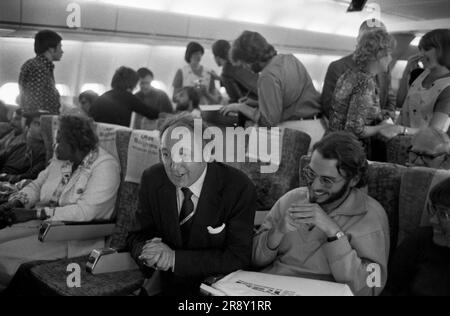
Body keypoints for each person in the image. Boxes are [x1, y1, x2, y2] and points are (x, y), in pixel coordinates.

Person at [126, 113, 256, 296]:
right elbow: (135, 236)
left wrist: (174, 259)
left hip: (212, 290)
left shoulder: (238, 187)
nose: (173, 165)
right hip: (163, 286)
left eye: (183, 152)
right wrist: (149, 253)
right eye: (166, 154)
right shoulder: (153, 179)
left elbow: (238, 257)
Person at [252, 132, 390, 296]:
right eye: (311, 173)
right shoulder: (291, 199)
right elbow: (254, 260)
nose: (314, 186)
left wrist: (334, 233)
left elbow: (369, 289)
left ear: (353, 179)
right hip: (265, 289)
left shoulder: (370, 216)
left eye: (327, 180)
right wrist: (277, 232)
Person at [0, 115, 120, 290]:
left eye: (59, 141)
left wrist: (36, 213)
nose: (54, 146)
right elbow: (37, 185)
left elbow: (86, 213)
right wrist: (18, 202)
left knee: (4, 255)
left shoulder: (105, 166)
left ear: (74, 144)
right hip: (42, 225)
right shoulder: (61, 160)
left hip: (71, 237)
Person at [221, 31, 324, 147]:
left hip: (296, 132)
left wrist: (240, 107)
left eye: (244, 64)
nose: (246, 68)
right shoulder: (290, 59)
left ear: (251, 57)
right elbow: (291, 97)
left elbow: (268, 122)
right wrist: (257, 103)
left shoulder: (267, 76)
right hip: (317, 128)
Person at [328, 29, 397, 144]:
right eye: (389, 54)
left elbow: (349, 112)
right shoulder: (365, 82)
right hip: (347, 147)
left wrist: (381, 114)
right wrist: (382, 127)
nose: (390, 58)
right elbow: (354, 129)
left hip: (334, 142)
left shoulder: (349, 74)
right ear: (379, 54)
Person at [384, 178, 450, 296]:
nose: (432, 220)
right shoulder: (419, 240)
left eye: (443, 214)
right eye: (433, 209)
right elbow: (388, 287)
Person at [322, 19, 396, 119]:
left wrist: (387, 115)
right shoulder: (338, 68)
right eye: (372, 40)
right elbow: (329, 108)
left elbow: (389, 98)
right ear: (359, 40)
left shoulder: (384, 69)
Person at [395, 29, 450, 135]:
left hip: (424, 147)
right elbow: (400, 103)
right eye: (421, 49)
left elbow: (434, 131)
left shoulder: (447, 86)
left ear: (444, 50)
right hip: (402, 143)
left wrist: (402, 130)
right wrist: (406, 73)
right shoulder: (419, 74)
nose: (421, 54)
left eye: (427, 49)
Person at [89, 66, 159, 127]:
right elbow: (150, 113)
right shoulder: (128, 98)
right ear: (132, 83)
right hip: (117, 137)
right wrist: (165, 116)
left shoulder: (103, 97)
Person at [18, 30, 63, 114]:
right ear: (51, 49)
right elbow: (34, 104)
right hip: (41, 122)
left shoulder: (39, 66)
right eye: (60, 47)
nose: (62, 51)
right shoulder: (38, 68)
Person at [0, 111, 48, 184]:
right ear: (28, 126)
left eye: (45, 125)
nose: (42, 128)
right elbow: (2, 157)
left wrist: (5, 177)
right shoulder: (20, 144)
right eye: (37, 124)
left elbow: (31, 176)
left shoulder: (46, 154)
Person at [211, 40, 258, 104]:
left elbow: (237, 100)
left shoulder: (226, 73)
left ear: (217, 57)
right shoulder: (240, 62)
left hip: (253, 107)